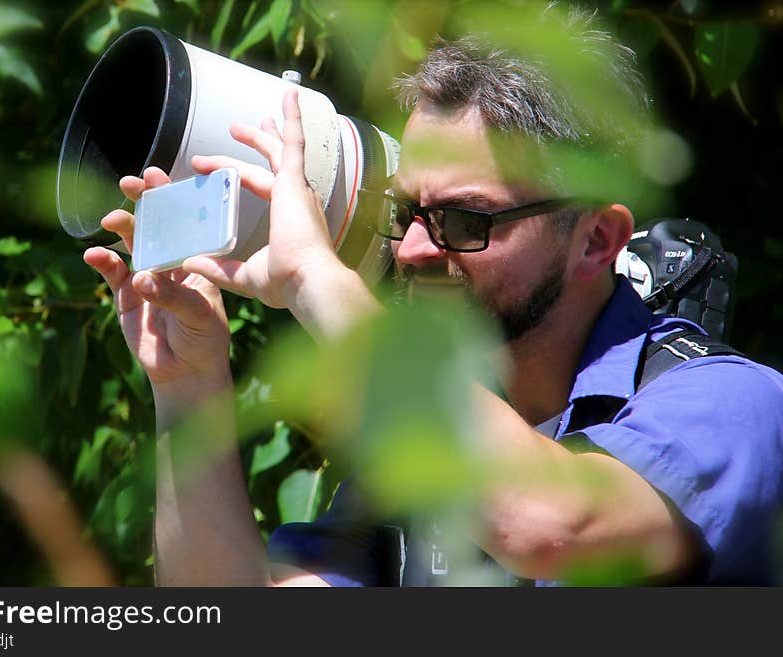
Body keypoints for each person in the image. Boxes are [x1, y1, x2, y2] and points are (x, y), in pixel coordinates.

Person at [83, 8, 783, 586]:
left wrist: (314, 279)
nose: (414, 249)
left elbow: (547, 524)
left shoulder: (732, 407)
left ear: (596, 240)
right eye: (408, 212)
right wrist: (188, 383)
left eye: (462, 221)